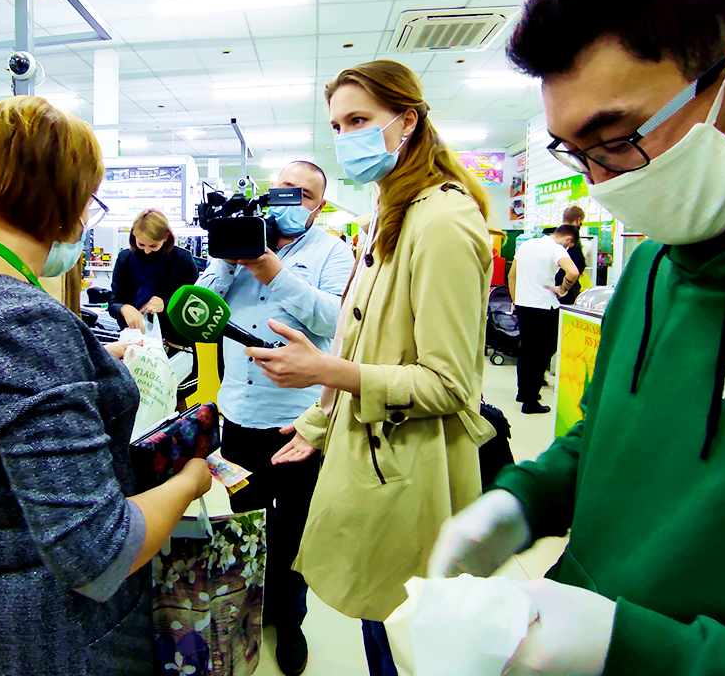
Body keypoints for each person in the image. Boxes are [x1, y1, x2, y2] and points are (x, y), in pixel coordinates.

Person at [429, 0, 725, 674]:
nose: (602, 186)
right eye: (577, 152)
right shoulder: (653, 270)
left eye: (621, 137)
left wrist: (633, 648)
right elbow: (604, 434)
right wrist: (520, 501)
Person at [0, 96, 212, 676]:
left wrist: (88, 364)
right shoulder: (21, 320)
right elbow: (98, 552)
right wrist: (189, 482)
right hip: (62, 636)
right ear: (64, 201)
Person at [247, 60, 495, 676]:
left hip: (412, 468)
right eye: (337, 125)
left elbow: (449, 385)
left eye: (359, 120)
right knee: (380, 625)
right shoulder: (391, 213)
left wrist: (324, 372)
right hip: (375, 457)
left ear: (407, 120)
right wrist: (317, 423)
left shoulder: (441, 221)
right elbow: (366, 339)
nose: (345, 137)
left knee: (402, 641)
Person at [196, 160, 354, 676]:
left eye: (302, 194)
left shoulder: (333, 252)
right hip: (239, 417)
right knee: (248, 523)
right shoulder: (234, 243)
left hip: (299, 422)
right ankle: (251, 608)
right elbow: (201, 308)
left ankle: (290, 621)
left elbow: (336, 319)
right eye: (282, 189)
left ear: (318, 207)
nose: (289, 200)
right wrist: (229, 260)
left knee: (295, 531)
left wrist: (273, 272)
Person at [109, 209, 199, 409]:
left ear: (166, 237)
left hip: (175, 344)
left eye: (153, 245)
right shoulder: (125, 260)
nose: (147, 251)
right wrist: (124, 308)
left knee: (174, 398)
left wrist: (166, 303)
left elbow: (194, 303)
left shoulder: (182, 260)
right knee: (138, 401)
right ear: (133, 236)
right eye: (141, 244)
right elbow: (114, 301)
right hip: (136, 345)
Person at [508, 224, 580, 414]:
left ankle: (523, 392)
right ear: (568, 239)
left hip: (523, 305)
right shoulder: (556, 249)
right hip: (544, 307)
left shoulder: (526, 245)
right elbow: (573, 272)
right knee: (541, 354)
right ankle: (530, 402)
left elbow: (511, 275)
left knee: (526, 350)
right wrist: (562, 289)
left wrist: (516, 300)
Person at [543, 205, 587, 305]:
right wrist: (563, 289)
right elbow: (578, 266)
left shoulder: (552, 235)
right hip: (566, 290)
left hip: (548, 287)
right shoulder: (572, 239)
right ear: (578, 220)